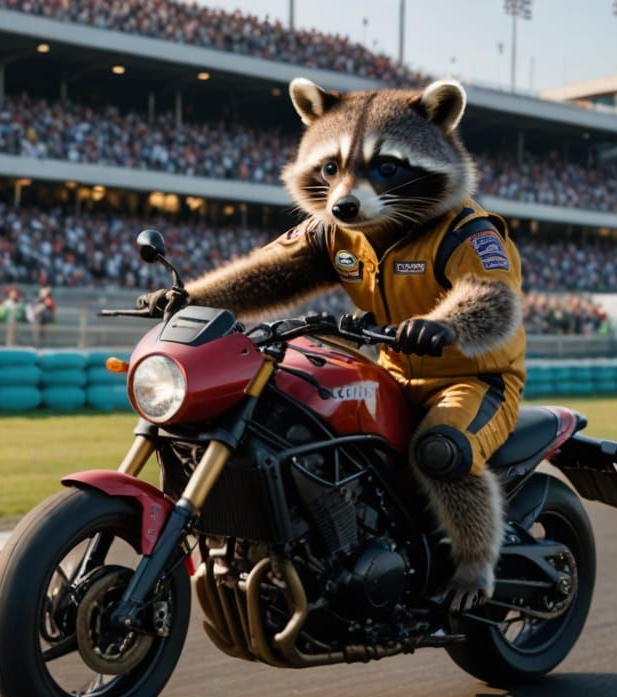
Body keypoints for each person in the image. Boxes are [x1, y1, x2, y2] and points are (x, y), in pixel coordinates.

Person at [138, 79, 524, 611]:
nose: (347, 192)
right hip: (391, 369)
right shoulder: (334, 231)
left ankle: (475, 563)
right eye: (331, 170)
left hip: (471, 378)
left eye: (385, 169)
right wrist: (188, 298)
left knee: (440, 450)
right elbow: (267, 276)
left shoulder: (466, 232)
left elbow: (493, 302)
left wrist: (445, 325)